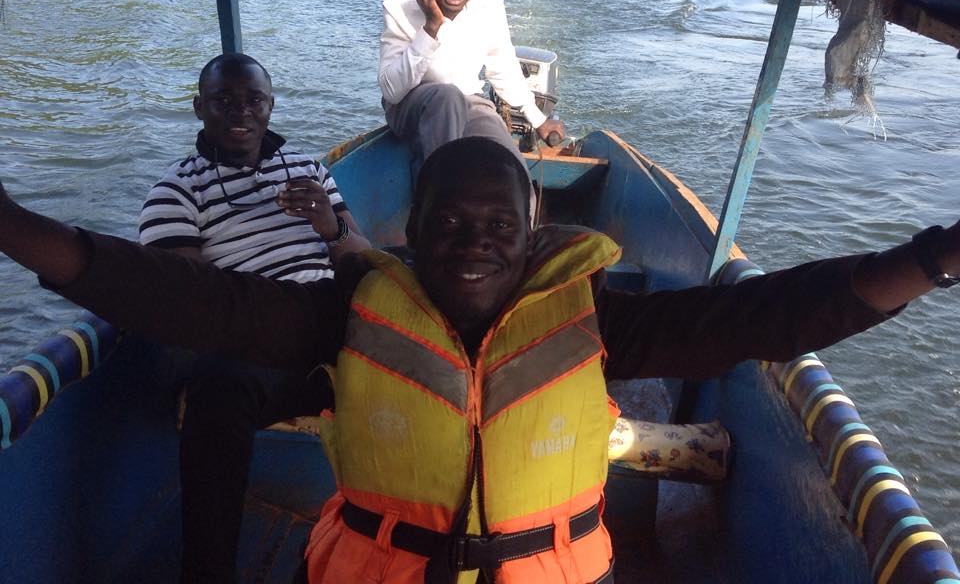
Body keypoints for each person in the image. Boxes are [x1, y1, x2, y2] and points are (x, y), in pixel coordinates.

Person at [1, 137, 958, 584]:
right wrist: (12, 225)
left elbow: (764, 315)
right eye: (449, 224)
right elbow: (188, 299)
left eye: (499, 225)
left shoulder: (598, 321)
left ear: (533, 233)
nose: (474, 243)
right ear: (411, 231)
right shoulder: (349, 315)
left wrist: (932, 259)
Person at [138, 52, 370, 584]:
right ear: (199, 107)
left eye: (254, 100)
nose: (240, 112)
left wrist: (331, 226)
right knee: (217, 387)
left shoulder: (308, 169)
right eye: (224, 100)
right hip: (263, 348)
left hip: (341, 329)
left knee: (420, 296)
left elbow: (363, 259)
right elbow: (190, 303)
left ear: (270, 106)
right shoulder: (176, 191)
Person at [378, 0, 566, 180]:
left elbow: (503, 69)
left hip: (469, 102)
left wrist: (538, 120)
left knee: (511, 172)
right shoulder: (399, 3)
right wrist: (431, 27)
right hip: (412, 106)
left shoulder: (490, 4)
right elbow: (392, 91)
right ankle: (441, 194)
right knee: (447, 98)